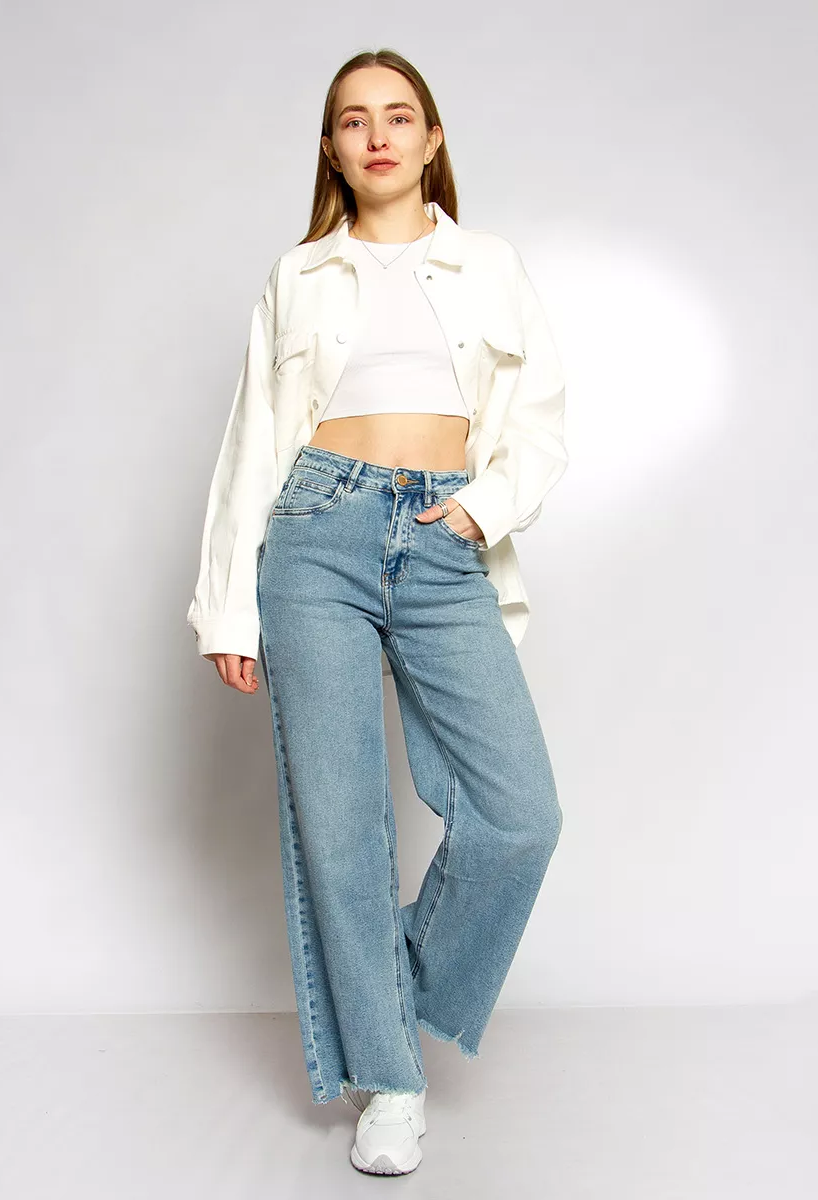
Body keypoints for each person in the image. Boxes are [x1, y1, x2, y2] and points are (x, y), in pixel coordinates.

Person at [186, 48, 568, 1176]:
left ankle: (380, 998)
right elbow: (251, 443)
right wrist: (227, 609)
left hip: (444, 538)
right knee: (341, 826)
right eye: (354, 121)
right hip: (315, 535)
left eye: (399, 117)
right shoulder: (300, 275)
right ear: (332, 148)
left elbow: (539, 418)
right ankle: (388, 1080)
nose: (379, 136)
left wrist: (479, 510)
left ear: (432, 138)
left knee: (520, 815)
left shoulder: (488, 264)